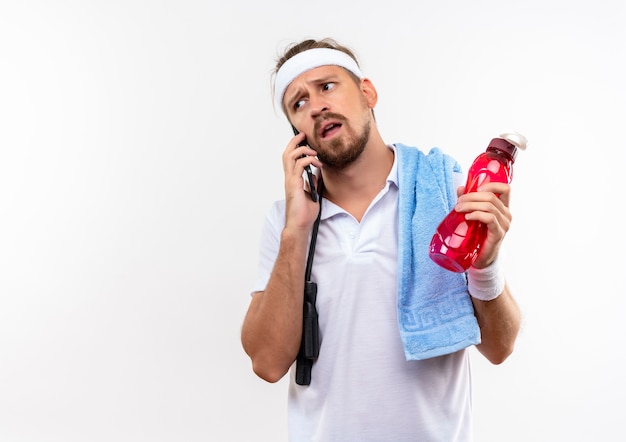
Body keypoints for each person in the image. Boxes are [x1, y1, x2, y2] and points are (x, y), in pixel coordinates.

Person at [241, 37, 521, 442]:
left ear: (367, 92)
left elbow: (500, 348)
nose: (316, 105)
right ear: (297, 136)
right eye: (298, 103)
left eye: (327, 86)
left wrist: (485, 263)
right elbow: (266, 362)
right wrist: (297, 230)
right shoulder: (286, 222)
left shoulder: (448, 193)